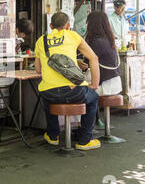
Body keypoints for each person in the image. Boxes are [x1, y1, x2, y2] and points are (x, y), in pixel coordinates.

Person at [34, 12, 101, 150]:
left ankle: (53, 136)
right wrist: (94, 84)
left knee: (46, 96)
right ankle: (84, 140)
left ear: (50, 26)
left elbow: (38, 70)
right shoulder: (73, 36)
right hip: (74, 90)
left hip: (49, 92)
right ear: (68, 26)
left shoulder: (41, 40)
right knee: (93, 98)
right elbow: (94, 58)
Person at [85, 11, 122, 96]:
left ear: (92, 25)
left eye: (88, 23)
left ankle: (91, 109)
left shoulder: (97, 42)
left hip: (105, 87)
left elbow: (87, 63)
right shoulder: (108, 40)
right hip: (115, 84)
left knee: (77, 93)